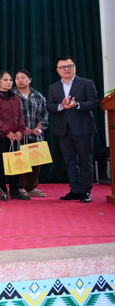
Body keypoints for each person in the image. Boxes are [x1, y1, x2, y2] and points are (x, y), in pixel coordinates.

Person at [47, 55, 99, 203]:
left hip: (83, 129)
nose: (67, 69)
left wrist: (77, 105)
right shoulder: (53, 87)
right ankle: (74, 189)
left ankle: (86, 191)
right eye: (63, 67)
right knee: (69, 161)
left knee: (85, 160)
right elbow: (49, 106)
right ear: (57, 70)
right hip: (63, 130)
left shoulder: (86, 83)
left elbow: (94, 103)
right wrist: (60, 106)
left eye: (69, 66)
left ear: (75, 67)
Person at [0, 70, 27, 201]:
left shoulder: (15, 96)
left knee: (16, 163)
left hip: (15, 135)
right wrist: (7, 132)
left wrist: (20, 130)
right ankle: (2, 189)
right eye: (5, 80)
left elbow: (20, 115)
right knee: (1, 164)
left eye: (10, 80)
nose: (9, 82)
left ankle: (15, 190)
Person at [14, 69, 49, 198]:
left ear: (30, 80)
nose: (20, 80)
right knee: (20, 162)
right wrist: (22, 128)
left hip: (35, 135)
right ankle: (20, 187)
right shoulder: (12, 94)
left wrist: (38, 128)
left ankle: (31, 187)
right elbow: (10, 116)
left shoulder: (38, 96)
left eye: (23, 77)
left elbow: (45, 114)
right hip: (19, 135)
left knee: (35, 163)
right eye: (17, 78)